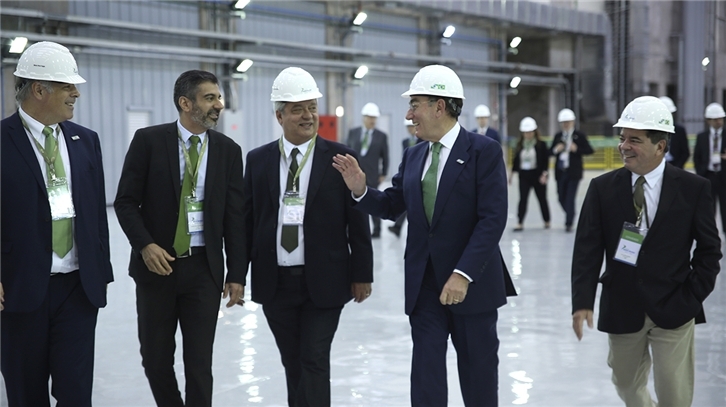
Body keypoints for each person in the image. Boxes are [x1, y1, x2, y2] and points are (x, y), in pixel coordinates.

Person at [333, 64, 516, 406]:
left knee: (479, 378)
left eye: (415, 104)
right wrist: (361, 190)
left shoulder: (483, 152)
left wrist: (463, 274)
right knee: (426, 376)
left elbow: (492, 219)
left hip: (471, 285)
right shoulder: (414, 155)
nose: (409, 114)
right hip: (425, 285)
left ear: (439, 106)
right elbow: (393, 204)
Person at [571, 96, 721, 407]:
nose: (624, 146)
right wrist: (582, 301)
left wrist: (692, 295)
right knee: (626, 383)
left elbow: (709, 250)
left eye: (634, 140)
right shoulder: (602, 189)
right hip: (622, 303)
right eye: (622, 138)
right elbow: (587, 248)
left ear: (660, 147)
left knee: (674, 392)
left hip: (675, 304)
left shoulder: (694, 189)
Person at [114, 70, 246, 407]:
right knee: (156, 360)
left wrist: (236, 275)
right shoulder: (148, 141)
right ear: (185, 103)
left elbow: (235, 217)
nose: (219, 105)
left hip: (204, 270)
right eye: (210, 98)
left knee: (200, 364)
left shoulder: (228, 150)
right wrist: (144, 245)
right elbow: (126, 202)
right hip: (157, 269)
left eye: (218, 97)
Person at [243, 67, 373, 407]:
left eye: (312, 107)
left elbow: (356, 220)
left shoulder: (340, 158)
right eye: (298, 108)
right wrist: (236, 277)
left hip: (326, 280)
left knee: (314, 359)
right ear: (279, 115)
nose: (308, 115)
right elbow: (247, 222)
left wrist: (362, 274)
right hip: (275, 282)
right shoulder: (258, 161)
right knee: (293, 362)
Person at [0, 41, 114, 406]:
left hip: (78, 290)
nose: (76, 94)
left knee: (76, 394)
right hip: (19, 292)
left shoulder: (85, 141)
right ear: (38, 90)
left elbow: (97, 213)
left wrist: (101, 269)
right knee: (26, 395)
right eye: (68, 87)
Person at [347, 102, 389, 237]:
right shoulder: (353, 133)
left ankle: (377, 229)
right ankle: (355, 228)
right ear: (364, 117)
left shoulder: (381, 136)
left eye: (375, 118)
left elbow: (385, 156)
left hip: (372, 175)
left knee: (373, 201)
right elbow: (347, 151)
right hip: (355, 174)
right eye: (370, 117)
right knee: (354, 201)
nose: (373, 121)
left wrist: (383, 173)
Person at [550, 108, 594, 232]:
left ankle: (569, 222)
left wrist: (577, 149)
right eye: (564, 122)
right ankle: (570, 214)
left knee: (570, 197)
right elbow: (550, 152)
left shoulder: (579, 136)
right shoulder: (558, 136)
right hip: (560, 171)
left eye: (568, 122)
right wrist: (556, 150)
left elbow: (589, 150)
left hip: (573, 172)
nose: (566, 125)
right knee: (560, 197)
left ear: (573, 122)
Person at [510, 117, 550, 231]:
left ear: (534, 132)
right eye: (526, 132)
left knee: (542, 199)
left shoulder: (541, 145)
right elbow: (516, 161)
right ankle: (520, 222)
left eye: (530, 132)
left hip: (538, 175)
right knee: (523, 199)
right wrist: (511, 174)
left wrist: (545, 174)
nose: (528, 134)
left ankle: (547, 220)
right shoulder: (519, 145)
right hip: (524, 175)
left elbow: (546, 162)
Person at [693, 102, 726, 233]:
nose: (718, 122)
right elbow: (697, 157)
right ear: (708, 121)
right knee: (708, 208)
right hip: (708, 176)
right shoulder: (701, 137)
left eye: (720, 119)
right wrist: (701, 173)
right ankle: (711, 233)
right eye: (715, 119)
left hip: (724, 176)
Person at [389, 119, 423, 237]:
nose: (409, 129)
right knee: (406, 199)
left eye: (411, 126)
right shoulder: (405, 142)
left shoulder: (423, 140)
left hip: (419, 173)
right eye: (407, 127)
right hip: (408, 173)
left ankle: (399, 227)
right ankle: (398, 227)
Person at [658, 96, 690, 169]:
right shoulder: (651, 131)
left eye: (670, 113)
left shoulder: (679, 130)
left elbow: (685, 153)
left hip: (674, 165)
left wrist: (676, 168)